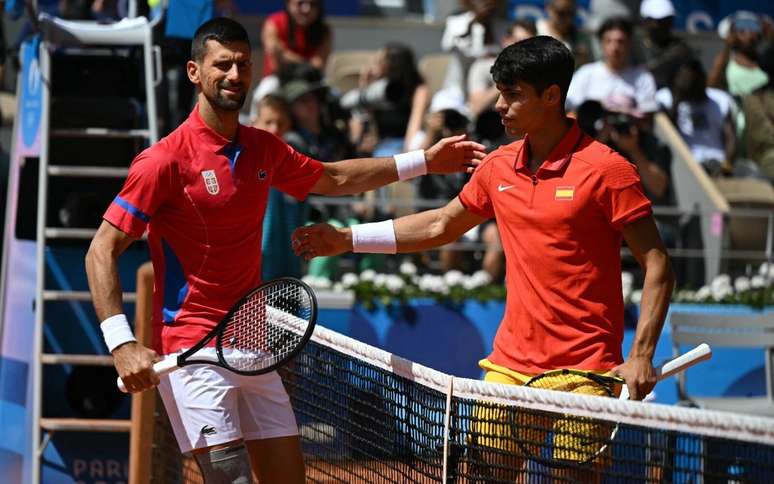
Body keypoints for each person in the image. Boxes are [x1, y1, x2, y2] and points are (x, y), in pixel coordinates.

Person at [84, 17, 485, 484]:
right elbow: (101, 250)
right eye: (223, 65)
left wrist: (424, 162)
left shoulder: (263, 148)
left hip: (251, 343)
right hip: (191, 349)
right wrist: (122, 343)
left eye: (244, 64)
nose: (235, 75)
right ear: (194, 72)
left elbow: (334, 178)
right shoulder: (163, 162)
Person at [292, 36, 675, 479]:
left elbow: (659, 264)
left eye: (513, 95)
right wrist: (346, 239)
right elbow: (440, 224)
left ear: (552, 96)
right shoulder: (497, 167)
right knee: (484, 477)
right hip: (510, 367)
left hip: (587, 371)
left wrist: (642, 352)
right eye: (499, 92)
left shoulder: (609, 171)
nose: (499, 105)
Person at [566, 17, 659, 116]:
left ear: (629, 44)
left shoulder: (643, 78)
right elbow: (568, 109)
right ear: (601, 44)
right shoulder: (585, 73)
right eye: (609, 41)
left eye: (620, 41)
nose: (615, 47)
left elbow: (648, 118)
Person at [261, 0, 332, 78]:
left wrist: (293, 60)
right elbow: (275, 55)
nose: (306, 9)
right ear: (289, 4)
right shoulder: (274, 23)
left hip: (311, 79)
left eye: (312, 4)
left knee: (334, 90)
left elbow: (319, 64)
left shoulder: (324, 30)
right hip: (277, 79)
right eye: (300, 3)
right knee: (265, 89)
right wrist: (306, 65)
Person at [637, 0, 695, 89]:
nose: (664, 26)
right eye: (659, 21)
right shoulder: (632, 45)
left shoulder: (681, 49)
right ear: (646, 21)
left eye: (668, 20)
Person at [536, 0, 594, 68]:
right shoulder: (536, 31)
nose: (567, 18)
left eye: (570, 13)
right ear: (549, 8)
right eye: (561, 13)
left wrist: (585, 60)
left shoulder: (584, 38)